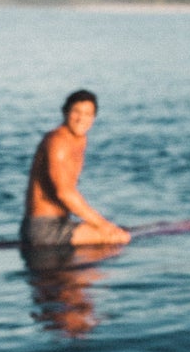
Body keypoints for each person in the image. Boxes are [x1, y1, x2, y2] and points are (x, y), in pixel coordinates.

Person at [20, 90, 131, 248]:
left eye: (88, 114)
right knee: (118, 240)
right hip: (43, 229)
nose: (81, 119)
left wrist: (101, 225)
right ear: (65, 112)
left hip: (61, 223)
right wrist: (103, 225)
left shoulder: (80, 140)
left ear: (93, 118)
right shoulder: (57, 142)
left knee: (114, 235)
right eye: (76, 112)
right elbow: (64, 193)